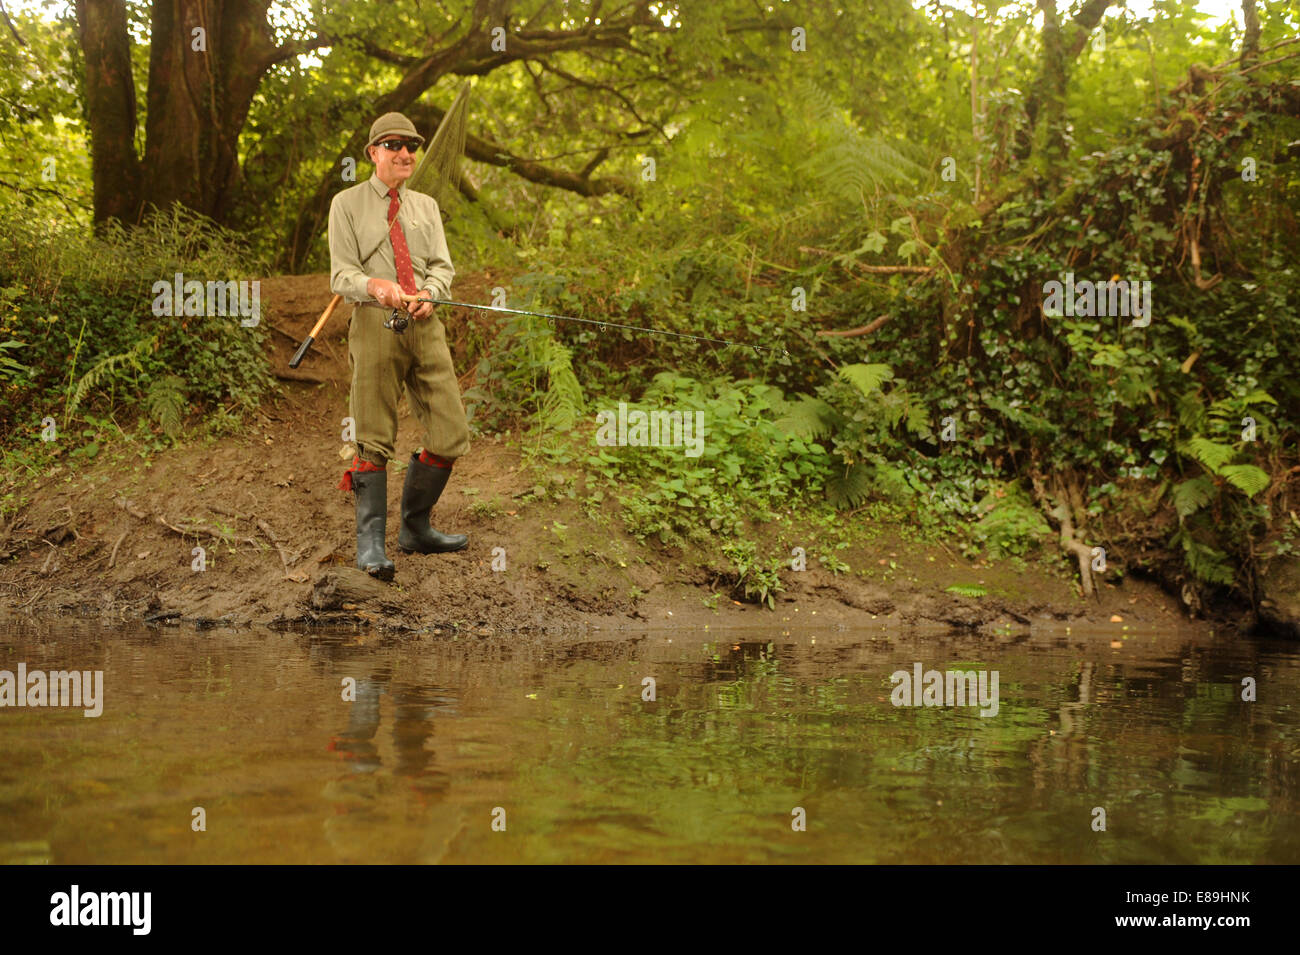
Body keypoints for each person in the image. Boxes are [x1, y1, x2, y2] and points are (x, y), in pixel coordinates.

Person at [328, 111, 470, 580]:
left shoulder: (426, 206)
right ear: (373, 153)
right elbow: (340, 275)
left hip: (425, 326)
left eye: (411, 145)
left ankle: (415, 528)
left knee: (450, 432)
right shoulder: (346, 204)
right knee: (373, 435)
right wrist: (375, 285)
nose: (405, 153)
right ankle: (370, 546)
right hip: (373, 323)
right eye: (394, 145)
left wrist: (430, 292)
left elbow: (442, 268)